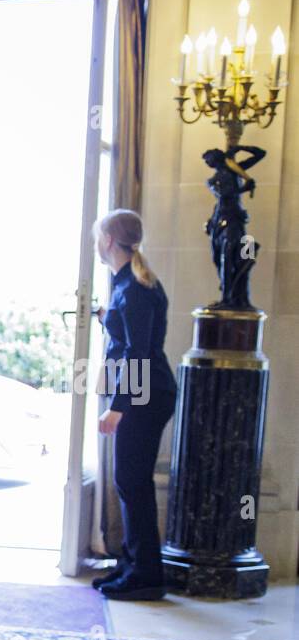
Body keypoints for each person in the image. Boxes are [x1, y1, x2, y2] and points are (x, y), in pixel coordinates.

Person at [91, 209, 178, 601]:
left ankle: (146, 575)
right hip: (144, 393)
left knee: (132, 483)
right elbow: (128, 341)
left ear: (108, 241)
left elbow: (138, 354)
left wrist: (118, 407)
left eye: (98, 237)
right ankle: (133, 566)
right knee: (131, 483)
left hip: (146, 396)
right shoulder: (128, 283)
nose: (97, 242)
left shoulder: (136, 288)